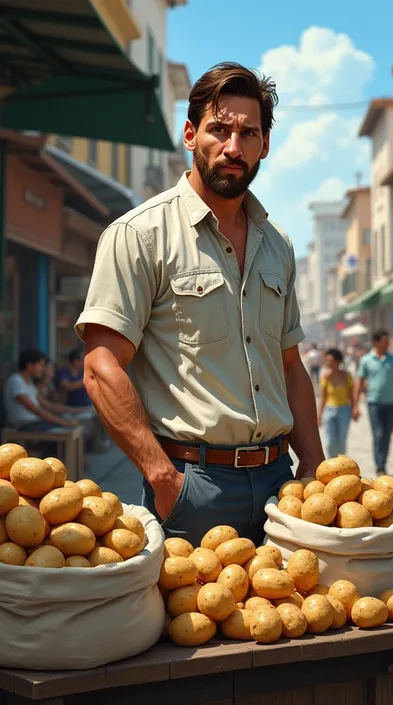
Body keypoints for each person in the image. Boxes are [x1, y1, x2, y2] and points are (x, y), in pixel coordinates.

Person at [75, 62, 325, 547]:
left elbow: (290, 366)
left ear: (265, 146)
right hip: (194, 488)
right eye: (219, 129)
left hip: (282, 486)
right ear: (190, 135)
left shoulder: (278, 246)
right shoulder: (139, 235)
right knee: (191, 624)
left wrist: (312, 462)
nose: (234, 148)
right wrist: (164, 479)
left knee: (290, 619)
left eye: (249, 134)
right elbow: (101, 366)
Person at [354, 330, 393, 475]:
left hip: (390, 402)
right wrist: (355, 405)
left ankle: (383, 462)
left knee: (387, 434)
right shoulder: (366, 360)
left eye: (388, 341)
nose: (387, 344)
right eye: (385, 341)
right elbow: (359, 382)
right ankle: (379, 465)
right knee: (379, 434)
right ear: (376, 342)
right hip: (373, 402)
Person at [3, 350, 80, 431]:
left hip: (33, 422)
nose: (42, 369)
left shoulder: (29, 383)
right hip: (22, 425)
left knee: (71, 426)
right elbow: (37, 410)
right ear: (29, 366)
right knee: (66, 429)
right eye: (40, 365)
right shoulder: (16, 381)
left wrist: (77, 411)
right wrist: (64, 422)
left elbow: (47, 405)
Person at [318, 348, 358, 458]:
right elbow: (323, 398)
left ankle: (342, 464)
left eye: (330, 361)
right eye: (326, 360)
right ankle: (331, 464)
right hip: (329, 410)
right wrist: (319, 415)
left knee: (341, 440)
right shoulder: (325, 378)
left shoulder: (346, 376)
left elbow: (351, 395)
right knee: (330, 441)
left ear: (338, 362)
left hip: (344, 410)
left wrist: (355, 409)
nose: (328, 363)